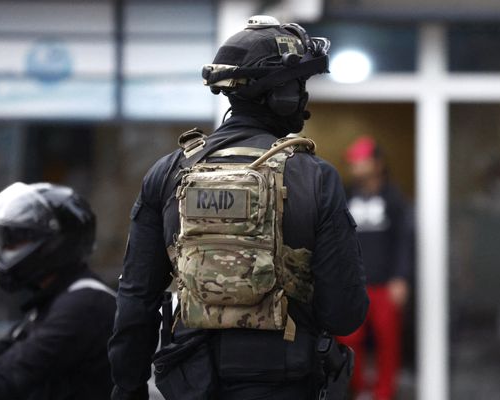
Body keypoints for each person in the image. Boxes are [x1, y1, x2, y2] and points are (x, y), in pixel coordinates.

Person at [108, 15, 369, 400]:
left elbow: (136, 299)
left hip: (189, 381)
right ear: (278, 94)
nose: (303, 97)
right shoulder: (314, 178)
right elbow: (344, 312)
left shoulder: (169, 173)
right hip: (285, 380)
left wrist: (127, 387)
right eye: (298, 86)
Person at [0, 182, 116, 400]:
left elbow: (3, 380)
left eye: (14, 241)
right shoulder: (53, 300)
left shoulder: (85, 305)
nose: (4, 251)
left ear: (54, 244)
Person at [338, 136, 414, 400]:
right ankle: (359, 389)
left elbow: (404, 239)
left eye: (362, 161)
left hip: (385, 284)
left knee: (388, 343)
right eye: (354, 163)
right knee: (348, 339)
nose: (357, 167)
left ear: (377, 163)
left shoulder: (394, 197)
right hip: (353, 284)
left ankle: (384, 393)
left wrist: (401, 277)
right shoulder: (346, 194)